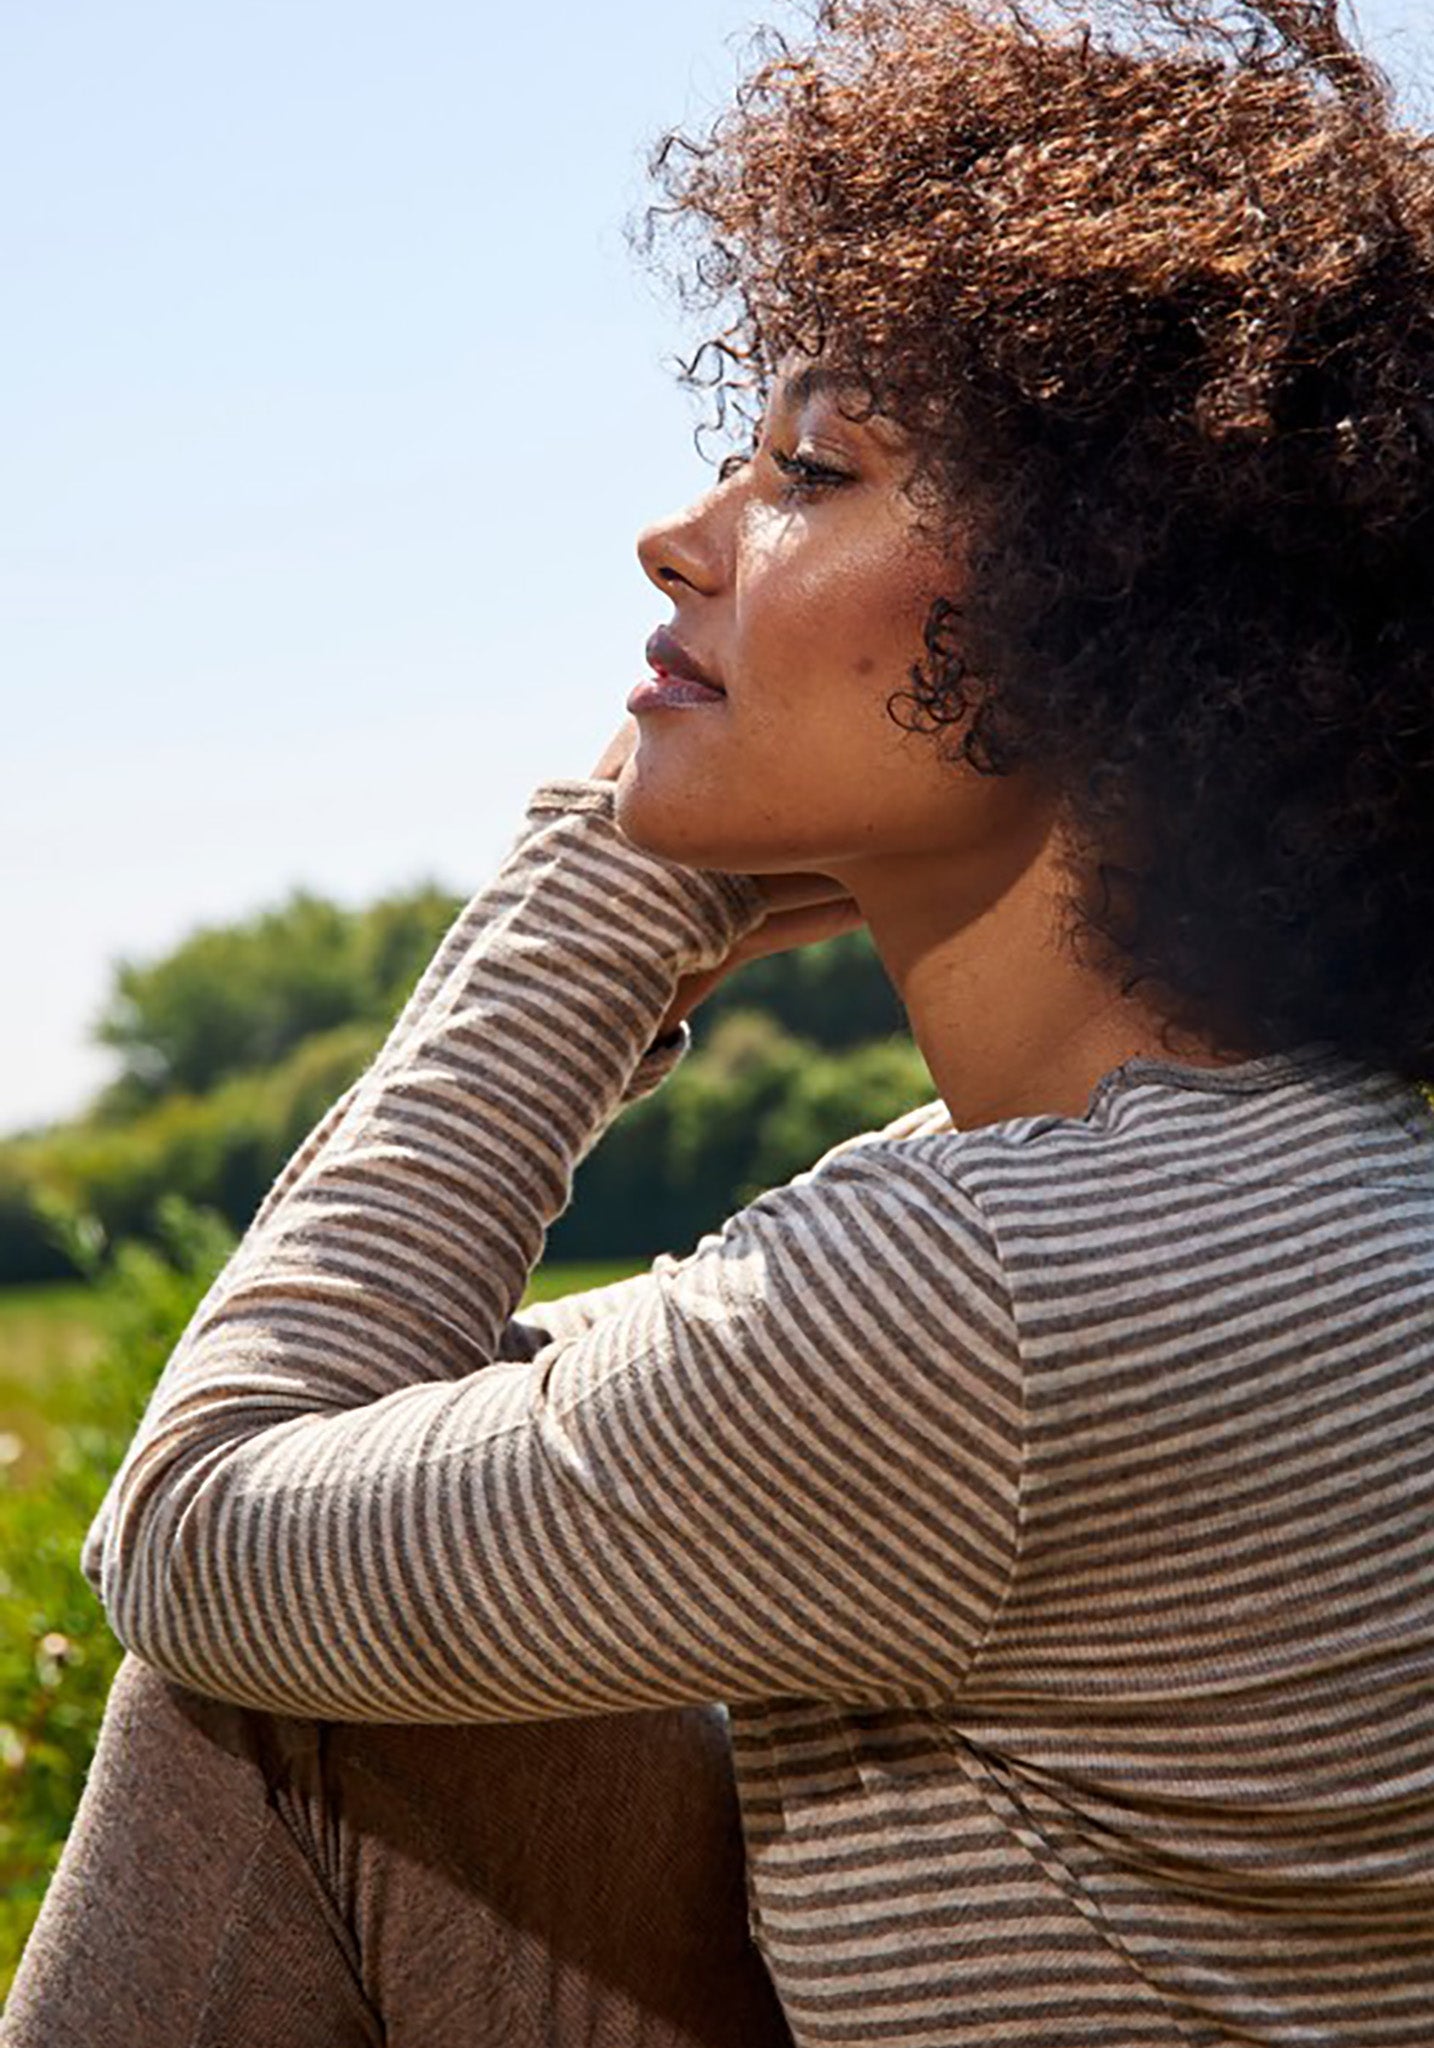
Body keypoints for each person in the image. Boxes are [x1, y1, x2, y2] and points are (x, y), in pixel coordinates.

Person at [6, 0, 1434, 2041]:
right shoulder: (1281, 1194)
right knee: (403, 1556)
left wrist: (606, 886)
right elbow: (456, 1431)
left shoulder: (987, 1296)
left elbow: (205, 1520)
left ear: (1120, 617)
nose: (683, 538)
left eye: (814, 468)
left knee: (272, 1687)